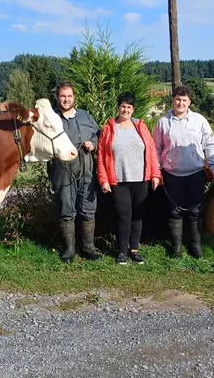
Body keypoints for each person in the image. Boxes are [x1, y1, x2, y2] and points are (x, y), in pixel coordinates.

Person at [152, 84, 214, 258]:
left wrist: (212, 166)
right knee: (174, 211)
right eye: (177, 100)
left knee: (195, 211)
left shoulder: (199, 120)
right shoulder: (163, 123)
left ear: (189, 102)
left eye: (184, 100)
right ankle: (176, 247)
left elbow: (210, 144)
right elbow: (156, 149)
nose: (180, 103)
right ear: (172, 100)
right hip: (171, 174)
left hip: (195, 173)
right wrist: (158, 172)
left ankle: (195, 246)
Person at [97, 92, 161, 265]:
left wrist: (155, 175)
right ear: (118, 107)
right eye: (123, 106)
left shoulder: (141, 126)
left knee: (137, 216)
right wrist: (103, 179)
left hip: (141, 179)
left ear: (133, 109)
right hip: (118, 181)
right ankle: (122, 251)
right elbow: (102, 155)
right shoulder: (109, 128)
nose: (126, 110)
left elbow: (151, 152)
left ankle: (135, 250)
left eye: (129, 107)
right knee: (123, 215)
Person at [47, 81, 102, 263]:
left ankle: (88, 249)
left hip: (86, 171)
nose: (66, 99)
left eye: (69, 96)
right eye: (63, 96)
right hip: (62, 172)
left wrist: (93, 143)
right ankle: (69, 250)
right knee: (66, 210)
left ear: (74, 97)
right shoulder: (52, 119)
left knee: (88, 209)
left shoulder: (86, 116)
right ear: (57, 98)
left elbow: (98, 134)